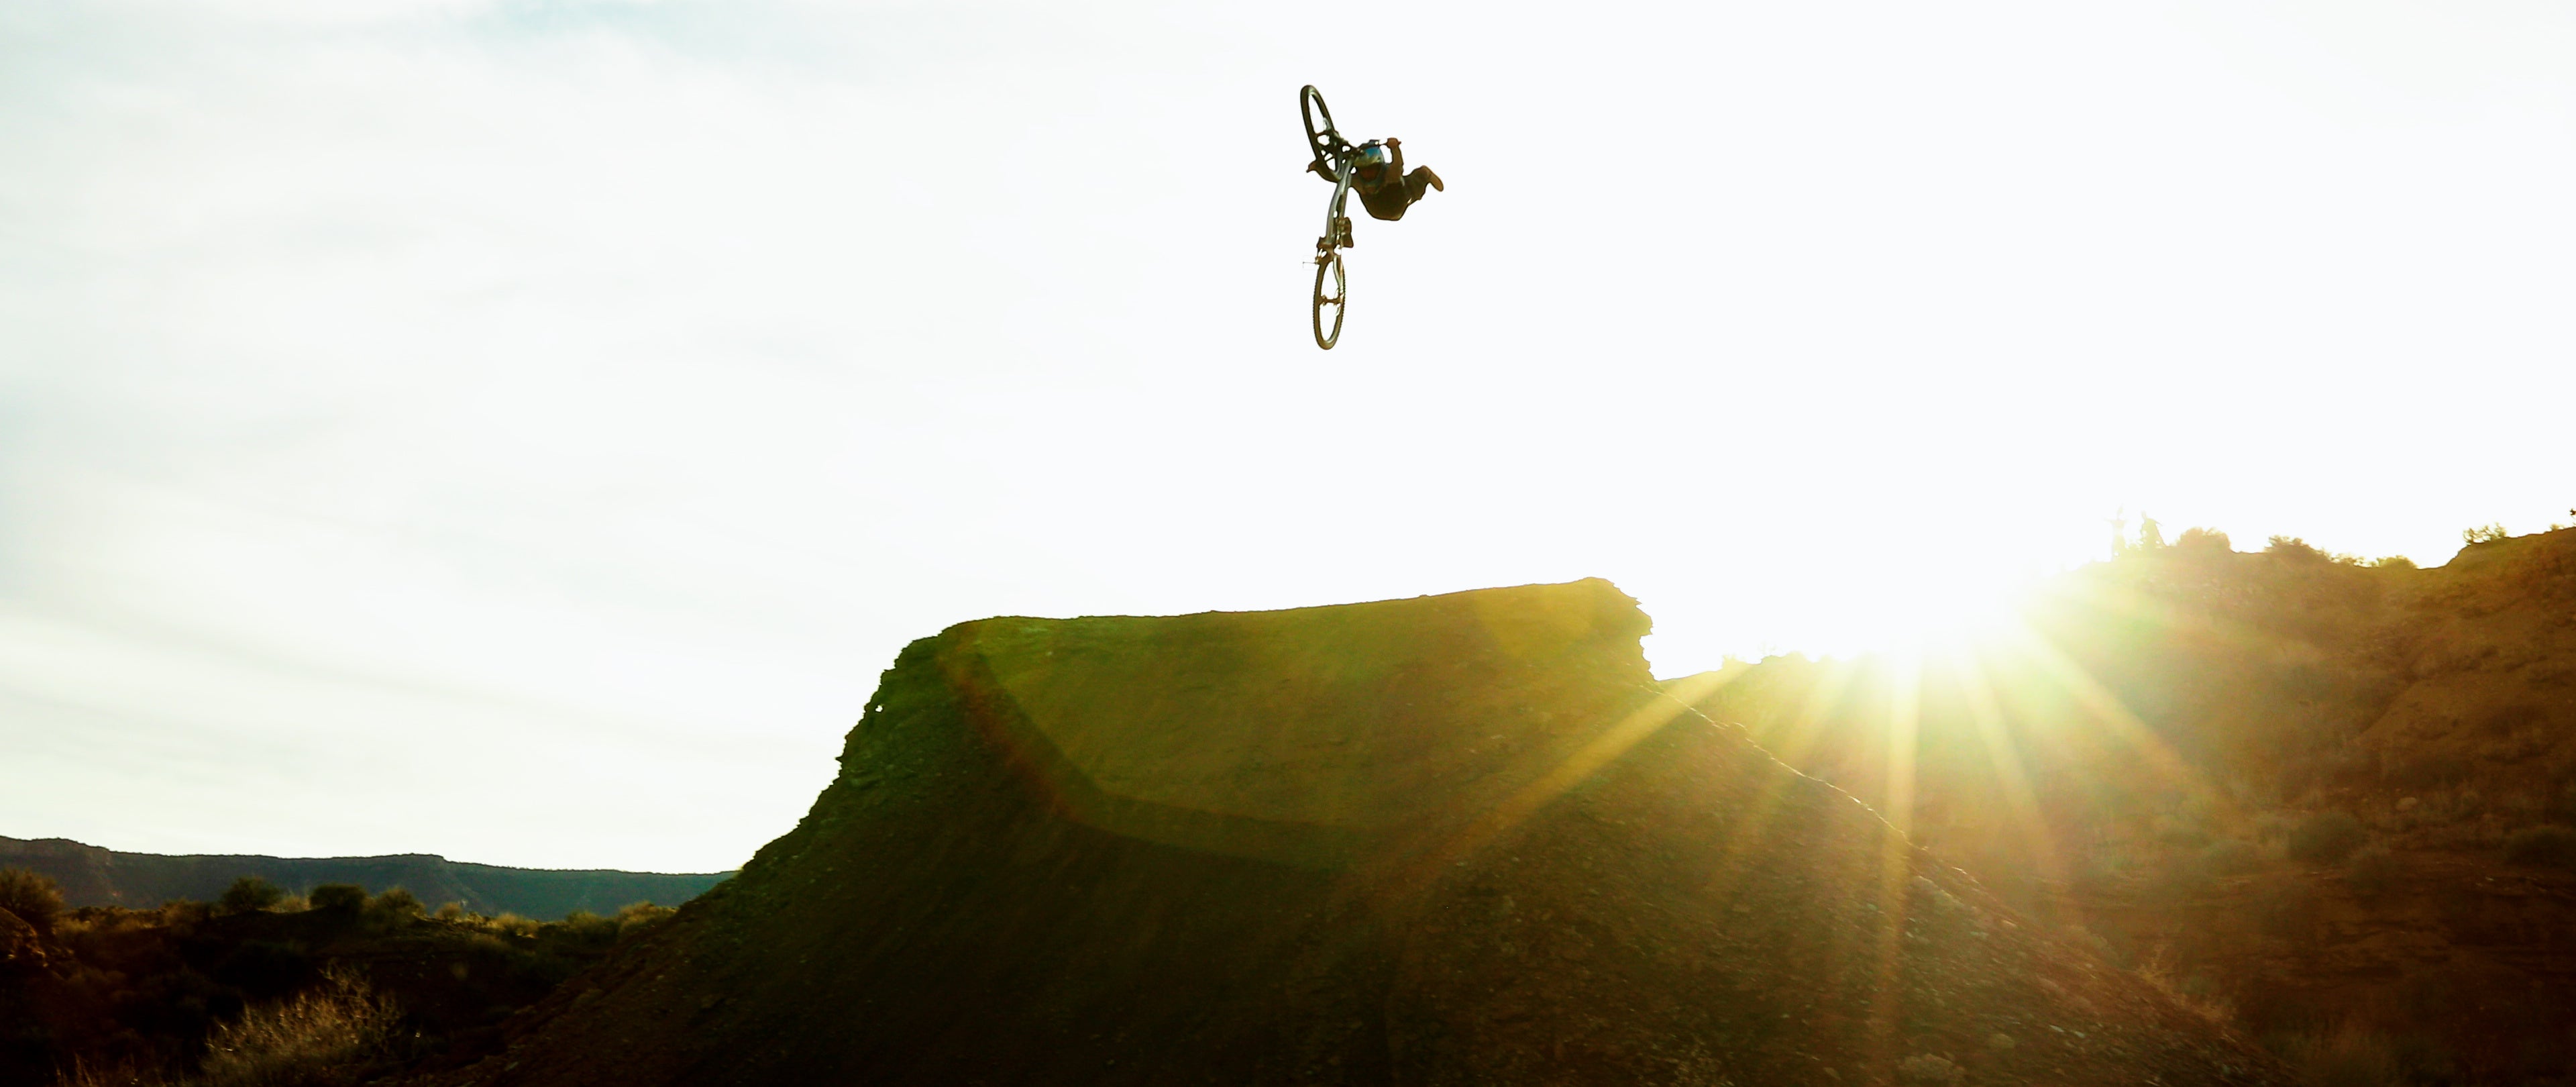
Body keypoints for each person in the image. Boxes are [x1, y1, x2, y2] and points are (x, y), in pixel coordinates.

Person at [1346, 138, 1443, 221]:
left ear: (1379, 166)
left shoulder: (1390, 174)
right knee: (1352, 182)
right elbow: (1336, 177)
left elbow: (1398, 165)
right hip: (1376, 211)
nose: (1367, 174)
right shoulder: (1357, 180)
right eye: (1363, 170)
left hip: (1399, 203)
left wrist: (1394, 148)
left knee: (1421, 174)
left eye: (1371, 169)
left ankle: (1427, 173)